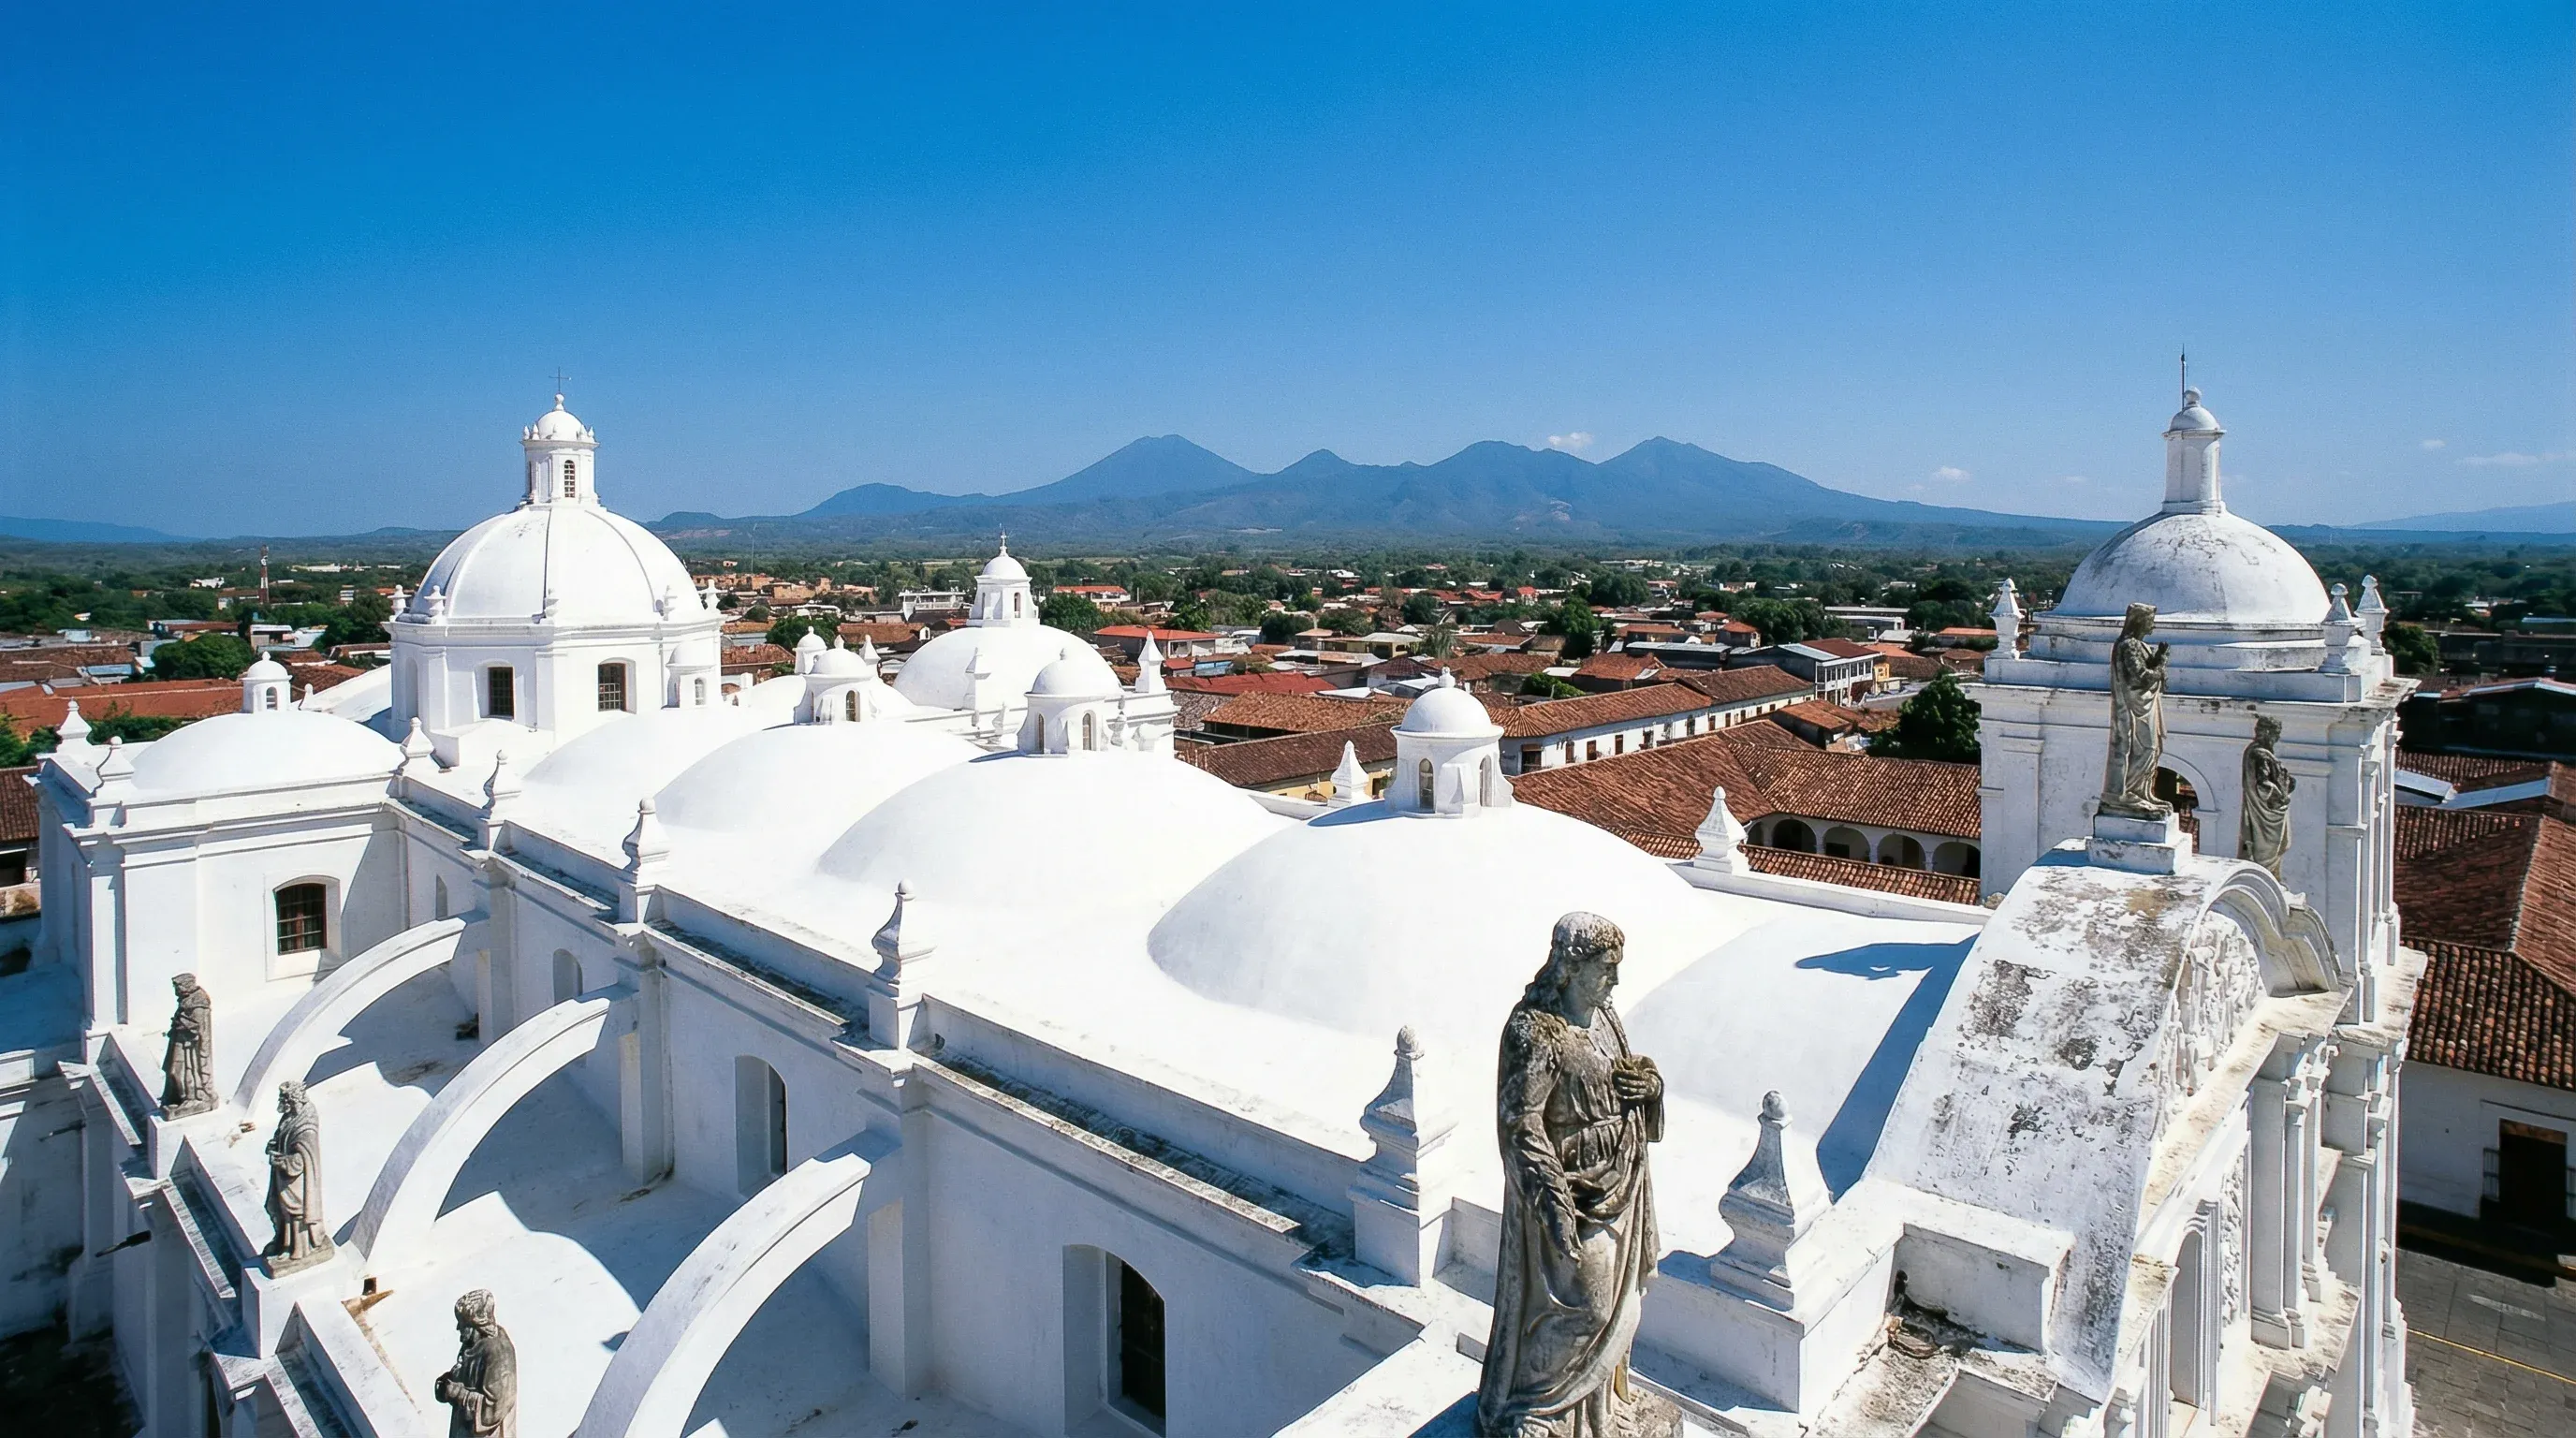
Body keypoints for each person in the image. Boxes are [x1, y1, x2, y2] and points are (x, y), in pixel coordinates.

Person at [1477, 912, 1663, 1438]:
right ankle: (1534, 1410)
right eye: (1606, 969)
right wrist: (1553, 1197)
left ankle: (1593, 1414)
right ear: (1572, 967)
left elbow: (1623, 1078)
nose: (1615, 981)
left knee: (1622, 1304)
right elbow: (1520, 1121)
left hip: (1622, 1179)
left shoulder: (1604, 1017)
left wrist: (1648, 1087)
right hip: (1571, 1192)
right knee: (1587, 1304)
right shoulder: (1535, 1030)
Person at [2100, 602, 2173, 818]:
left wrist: (2158, 657)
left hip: (2145, 706)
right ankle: (2128, 793)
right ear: (2140, 621)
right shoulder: (2128, 645)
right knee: (2144, 748)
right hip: (2135, 709)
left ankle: (2142, 791)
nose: (2153, 626)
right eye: (2150, 620)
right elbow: (2141, 677)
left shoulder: (2139, 645)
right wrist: (2161, 665)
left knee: (2151, 749)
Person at [435, 1289, 518, 1438]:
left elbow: (494, 1409)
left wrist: (457, 1394)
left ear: (476, 1323)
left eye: (462, 1323)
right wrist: (448, 1383)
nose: (458, 1328)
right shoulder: (471, 1344)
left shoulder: (498, 1352)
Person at [161, 974, 215, 1116]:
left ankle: (193, 1097)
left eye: (178, 987)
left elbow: (198, 1027)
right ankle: (181, 1096)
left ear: (187, 985)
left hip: (190, 1047)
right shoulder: (186, 999)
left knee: (185, 1070)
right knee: (174, 1070)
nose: (176, 990)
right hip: (180, 1041)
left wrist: (182, 1024)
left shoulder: (199, 1002)